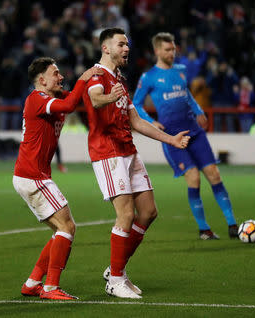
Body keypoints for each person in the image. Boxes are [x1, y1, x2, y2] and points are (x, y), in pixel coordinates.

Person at [82, 28, 190, 299]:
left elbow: (137, 121)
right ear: (106, 48)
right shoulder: (97, 76)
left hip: (128, 150)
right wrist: (111, 95)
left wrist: (170, 140)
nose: (127, 48)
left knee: (148, 212)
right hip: (108, 153)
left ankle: (116, 269)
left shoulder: (118, 78)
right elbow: (94, 99)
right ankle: (116, 280)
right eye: (121, 44)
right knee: (126, 215)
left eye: (127, 44)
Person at [133, 32, 238, 240]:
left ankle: (233, 225)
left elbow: (187, 94)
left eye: (173, 49)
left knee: (215, 175)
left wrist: (198, 110)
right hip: (172, 138)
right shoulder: (148, 77)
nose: (172, 52)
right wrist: (151, 121)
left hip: (194, 131)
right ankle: (204, 229)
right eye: (168, 49)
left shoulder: (181, 71)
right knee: (194, 177)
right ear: (157, 51)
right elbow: (136, 103)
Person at [13, 57, 102, 300]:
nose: (61, 77)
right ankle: (51, 287)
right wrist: (86, 77)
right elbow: (72, 103)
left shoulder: (52, 98)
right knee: (68, 226)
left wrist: (97, 80)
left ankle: (33, 283)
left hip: (33, 175)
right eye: (55, 73)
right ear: (41, 80)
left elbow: (76, 98)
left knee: (60, 231)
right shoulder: (37, 99)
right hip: (33, 176)